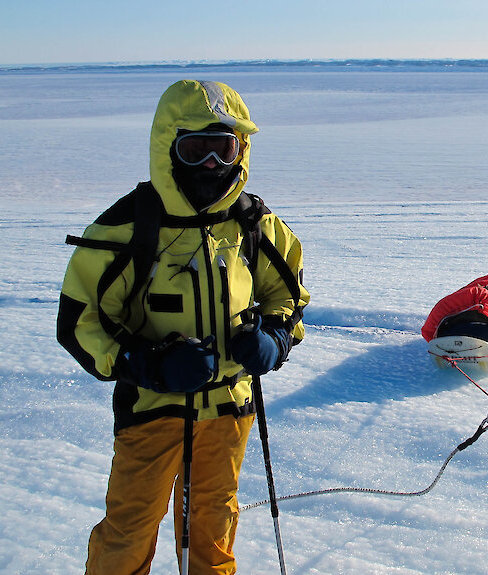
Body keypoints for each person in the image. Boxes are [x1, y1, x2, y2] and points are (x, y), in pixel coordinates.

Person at [57, 80, 310, 575]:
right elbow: (80, 320)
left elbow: (289, 296)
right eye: (195, 149)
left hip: (229, 410)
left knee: (211, 532)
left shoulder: (252, 223)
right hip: (153, 411)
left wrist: (274, 341)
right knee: (127, 534)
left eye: (224, 148)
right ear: (167, 148)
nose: (211, 165)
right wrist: (145, 364)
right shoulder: (130, 226)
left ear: (242, 151)